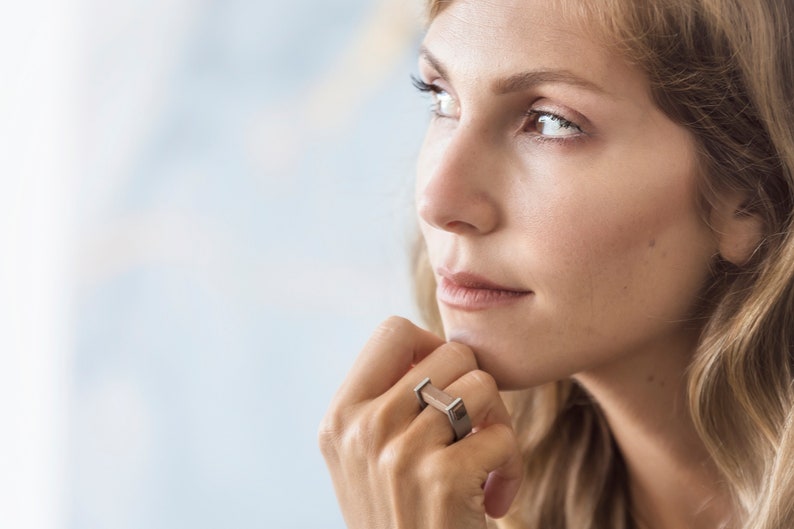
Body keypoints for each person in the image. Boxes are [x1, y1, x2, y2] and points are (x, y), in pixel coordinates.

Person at [318, 0, 794, 527]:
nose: (437, 201)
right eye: (441, 97)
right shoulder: (469, 499)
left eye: (550, 122)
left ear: (751, 199)